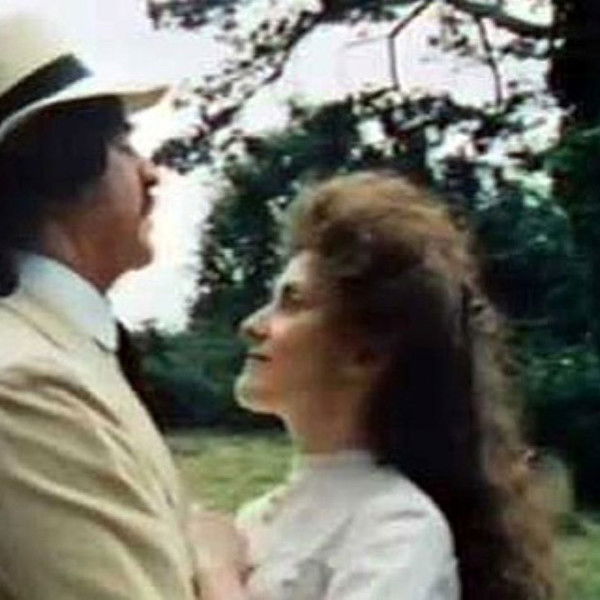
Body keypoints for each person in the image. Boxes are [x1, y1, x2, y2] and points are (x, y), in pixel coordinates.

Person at [198, 172, 558, 599]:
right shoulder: (256, 519)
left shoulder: (398, 526)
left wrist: (216, 573)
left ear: (366, 353)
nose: (251, 325)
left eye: (292, 302)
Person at [0, 12, 204, 599]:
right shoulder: (26, 384)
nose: (152, 174)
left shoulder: (64, 351)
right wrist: (215, 561)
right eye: (122, 145)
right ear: (61, 166)